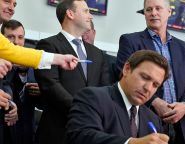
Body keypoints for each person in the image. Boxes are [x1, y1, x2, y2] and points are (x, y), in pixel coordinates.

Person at [116, 0, 185, 143]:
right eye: (148, 10)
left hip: (181, 123)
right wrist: (154, 101)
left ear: (169, 12)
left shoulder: (183, 47)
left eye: (158, 8)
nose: (153, 13)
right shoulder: (130, 41)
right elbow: (122, 74)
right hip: (147, 117)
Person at [34, 0, 111, 143]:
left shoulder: (97, 54)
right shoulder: (49, 45)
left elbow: (105, 89)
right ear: (70, 13)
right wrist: (80, 110)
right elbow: (50, 85)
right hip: (57, 130)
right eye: (86, 11)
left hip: (90, 132)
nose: (91, 16)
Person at [65, 50, 170, 144]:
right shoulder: (92, 97)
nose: (148, 88)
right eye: (144, 77)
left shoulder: (153, 119)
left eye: (155, 85)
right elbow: (81, 137)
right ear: (127, 69)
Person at [1, 19, 42, 144]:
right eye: (10, 37)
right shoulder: (1, 67)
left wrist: (41, 92)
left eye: (20, 37)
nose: (16, 42)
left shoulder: (33, 67)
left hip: (28, 134)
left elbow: (41, 105)